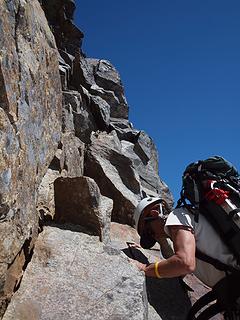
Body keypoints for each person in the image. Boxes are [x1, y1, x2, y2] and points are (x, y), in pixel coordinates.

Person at [132, 196, 240, 319]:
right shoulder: (189, 218)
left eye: (149, 231)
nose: (155, 237)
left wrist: (145, 268)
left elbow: (184, 263)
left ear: (154, 212)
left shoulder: (177, 217)